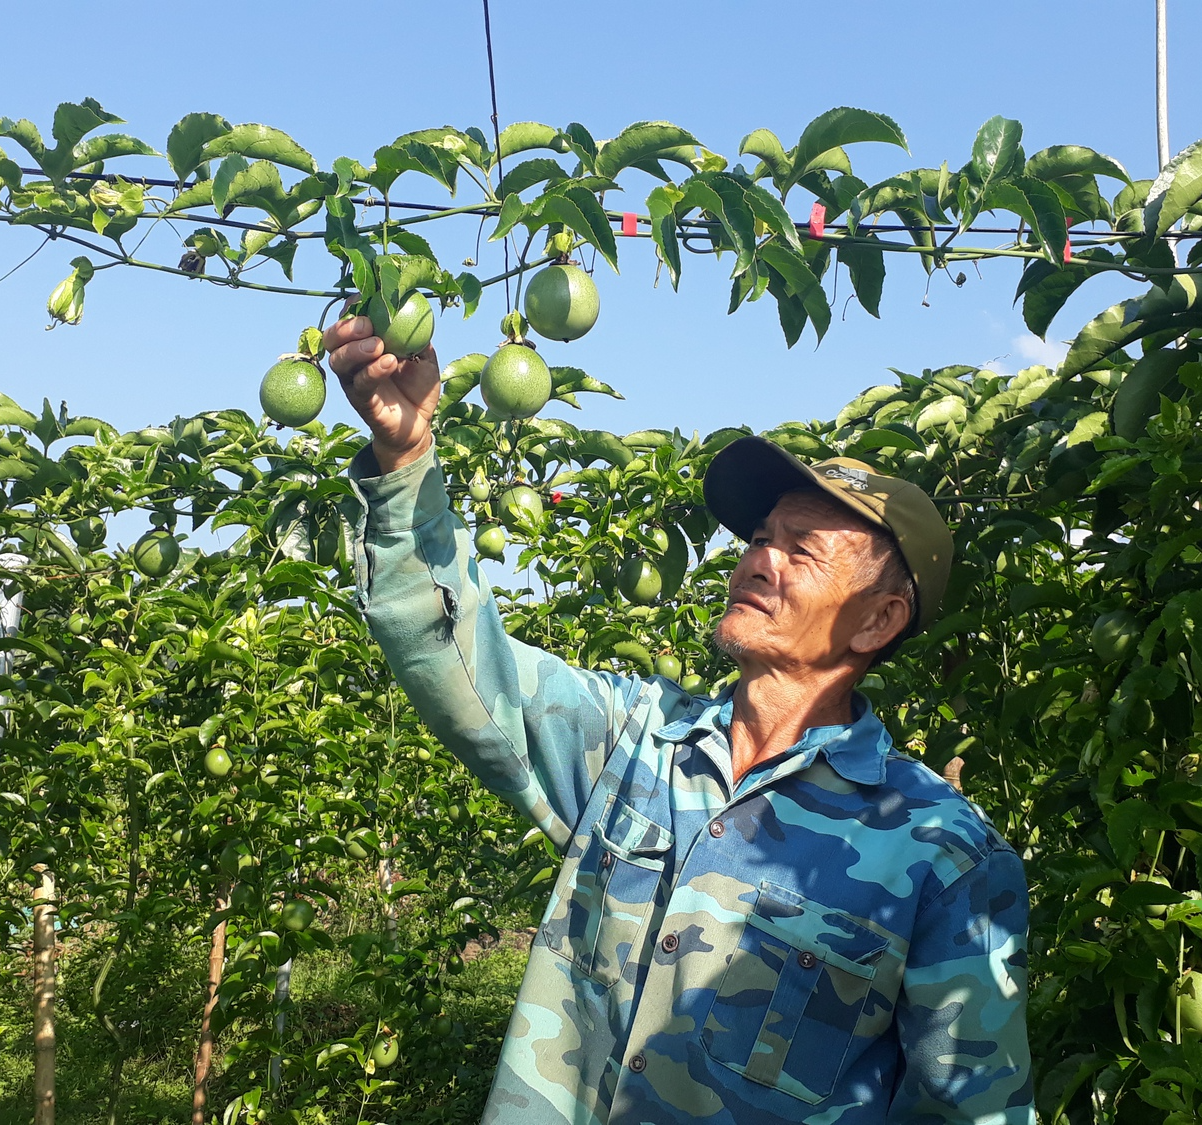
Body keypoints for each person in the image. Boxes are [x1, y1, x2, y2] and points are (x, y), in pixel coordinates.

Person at [327, 312, 1031, 1125]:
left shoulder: (942, 855)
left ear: (878, 621)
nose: (759, 557)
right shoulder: (635, 740)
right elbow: (459, 656)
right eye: (761, 537)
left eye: (802, 550)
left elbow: (966, 1110)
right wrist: (407, 454)